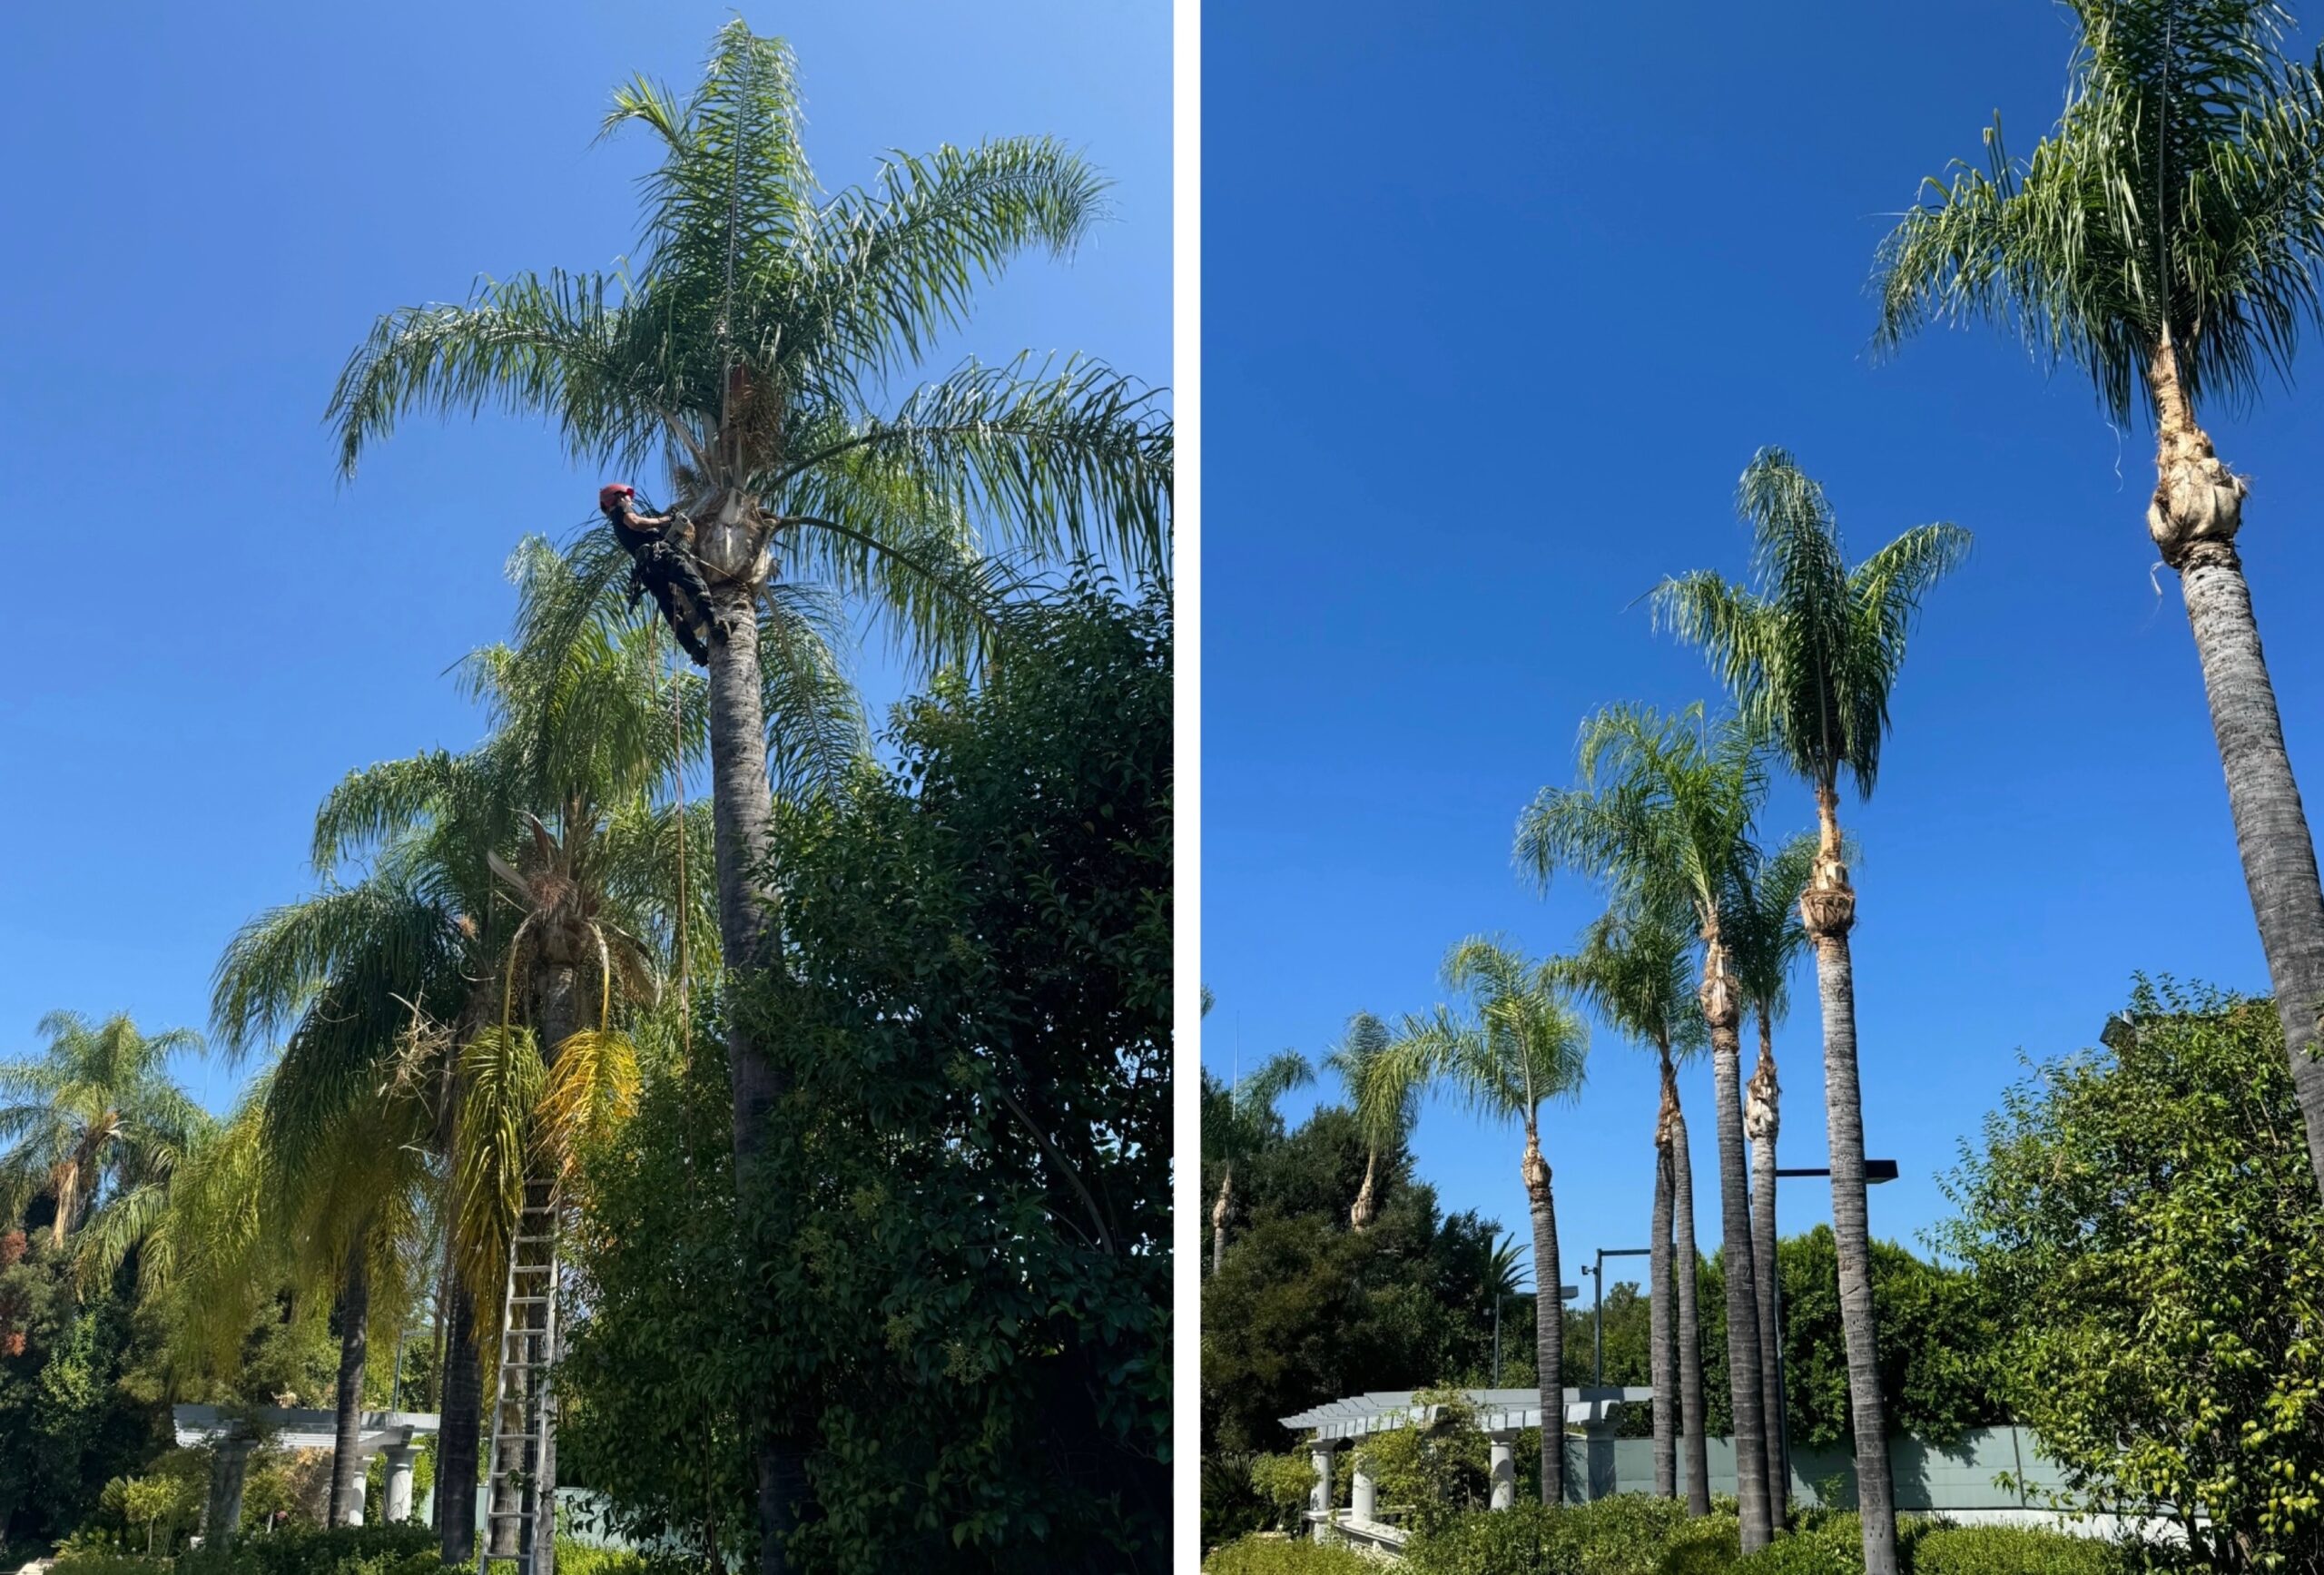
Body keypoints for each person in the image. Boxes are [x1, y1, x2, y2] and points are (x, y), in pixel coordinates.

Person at [597, 483, 725, 663]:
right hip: (660, 556)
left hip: (647, 571)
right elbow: (635, 523)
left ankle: (695, 650)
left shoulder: (616, 525)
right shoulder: (621, 508)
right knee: (694, 584)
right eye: (628, 497)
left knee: (672, 611)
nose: (630, 501)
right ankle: (715, 626)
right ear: (618, 496)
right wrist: (663, 521)